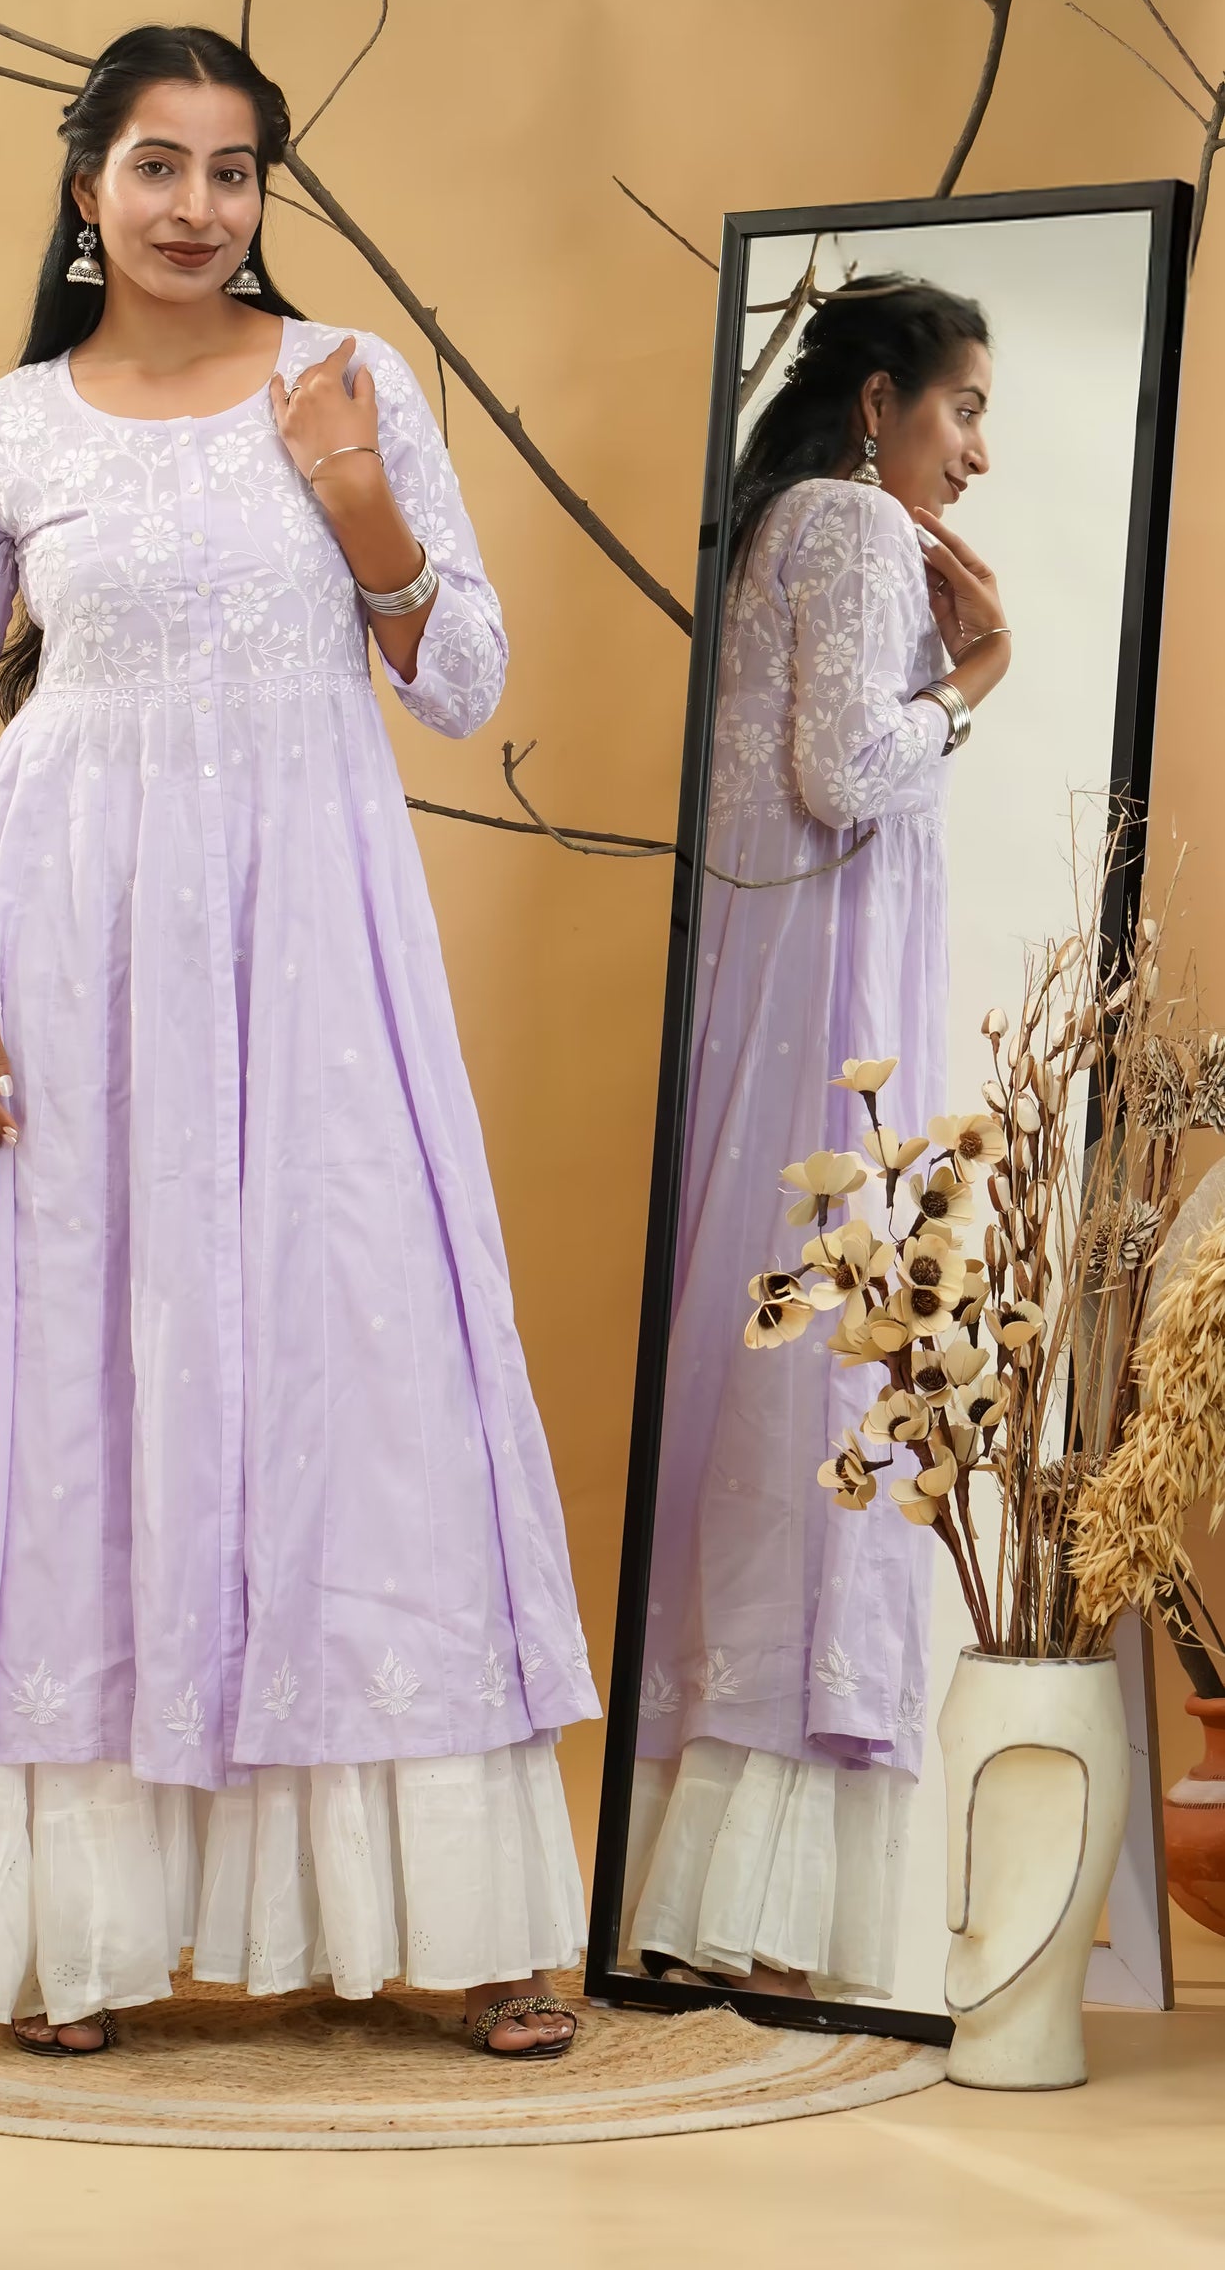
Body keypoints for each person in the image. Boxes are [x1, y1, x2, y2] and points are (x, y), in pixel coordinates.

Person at [0, 24, 597, 2058]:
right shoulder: (1, 429)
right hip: (55, 945)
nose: (193, 205)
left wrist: (355, 500)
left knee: (358, 1358)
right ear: (86, 188)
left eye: (232, 170)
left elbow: (465, 681)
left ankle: (468, 1914)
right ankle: (74, 1930)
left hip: (308, 942)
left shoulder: (348, 382)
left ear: (263, 195)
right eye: (156, 164)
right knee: (82, 1377)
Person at [624, 278, 1011, 1998]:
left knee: (784, 1385)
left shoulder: (785, 523)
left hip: (780, 1007)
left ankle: (707, 1888)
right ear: (876, 403)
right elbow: (850, 773)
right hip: (824, 1031)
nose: (978, 453)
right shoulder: (851, 522)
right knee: (823, 1389)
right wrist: (982, 674)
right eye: (961, 410)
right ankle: (772, 1918)